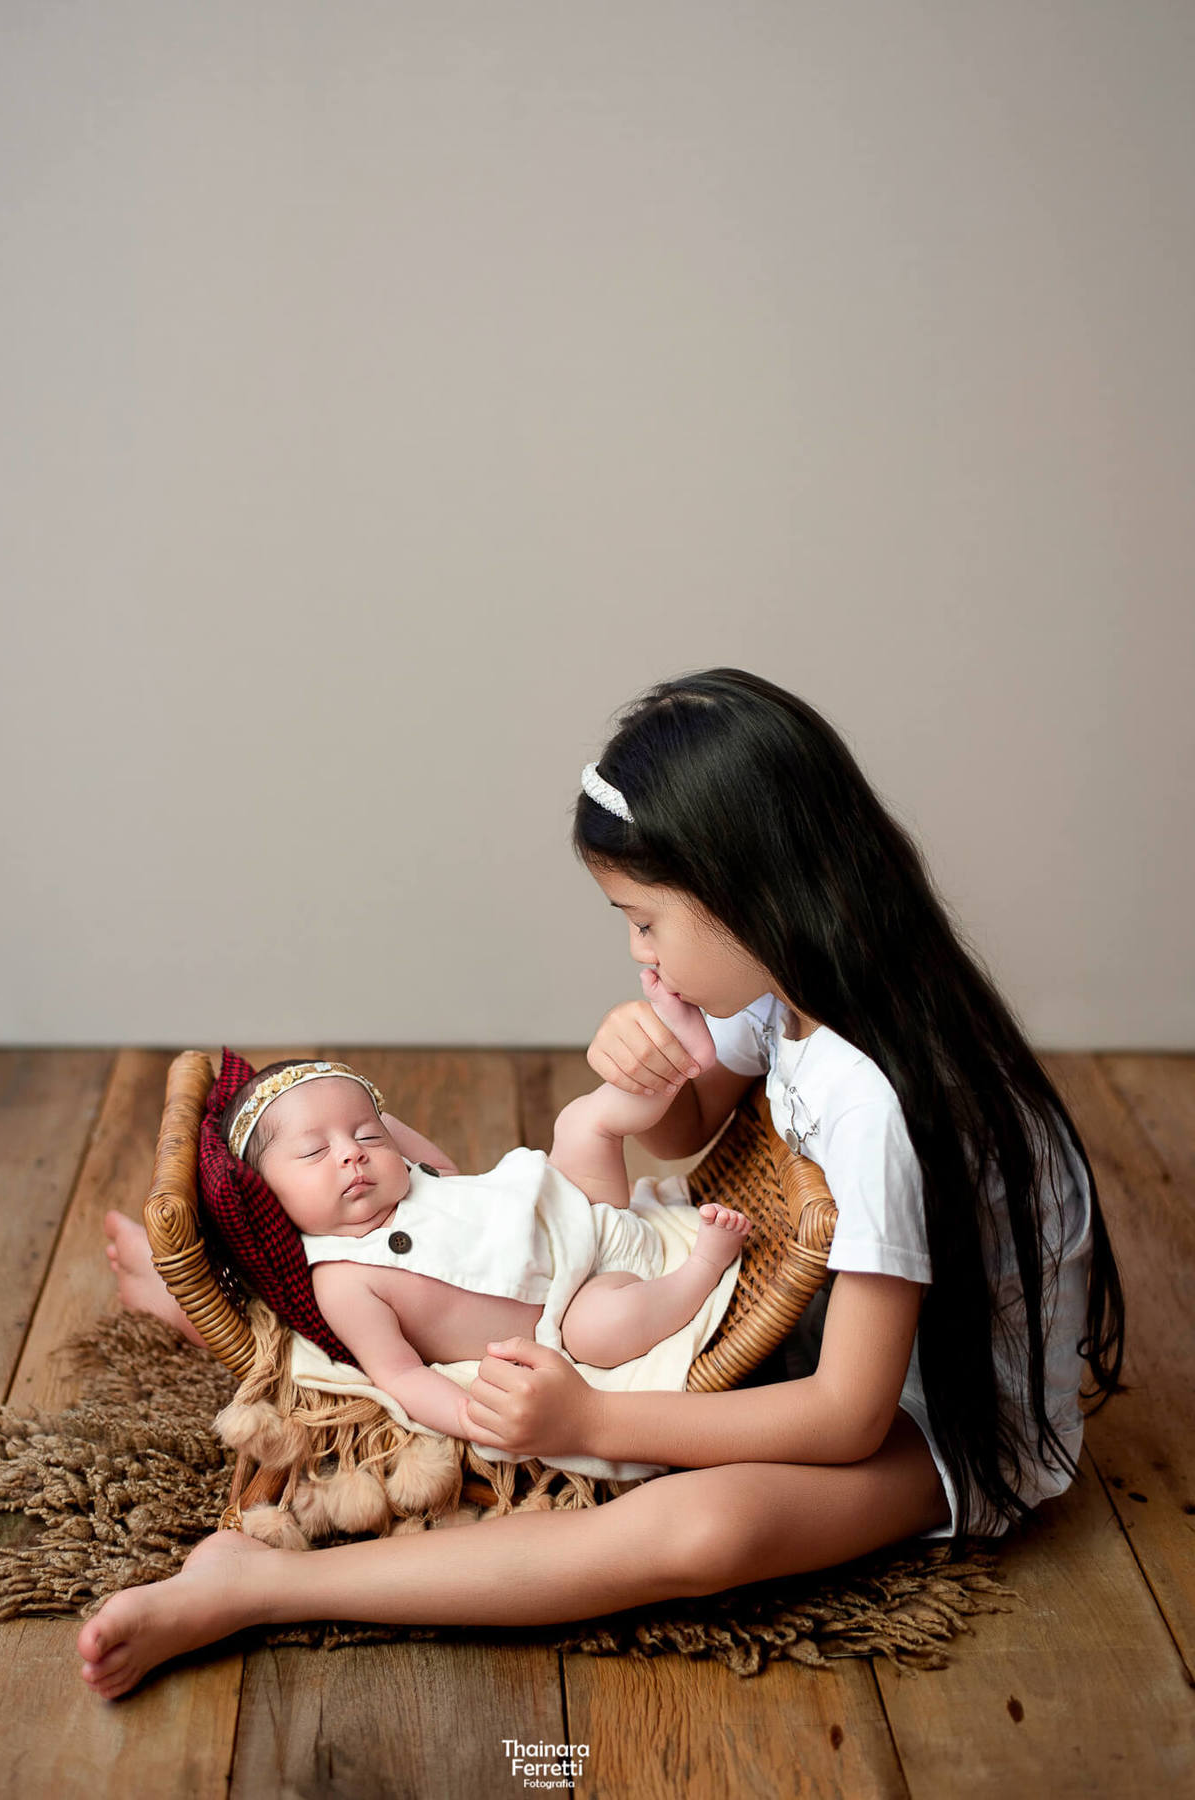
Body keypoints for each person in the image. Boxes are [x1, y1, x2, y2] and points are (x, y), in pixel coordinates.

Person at [79, 667, 1124, 1701]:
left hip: (935, 1416)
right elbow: (685, 1126)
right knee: (475, 1276)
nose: (635, 949)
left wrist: (587, 1426)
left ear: (750, 894)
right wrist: (648, 1060)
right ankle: (254, 1317)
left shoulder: (876, 1100)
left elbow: (848, 1418)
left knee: (701, 1531)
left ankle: (265, 1586)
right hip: (807, 1316)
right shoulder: (791, 989)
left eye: (644, 921)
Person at [205, 1041, 751, 1437]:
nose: (352, 1153)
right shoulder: (344, 1280)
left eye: (368, 1135)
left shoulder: (415, 1177)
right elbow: (400, 1373)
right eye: (314, 1152)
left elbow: (444, 1166)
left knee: (583, 1122)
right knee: (598, 1334)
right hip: (569, 1305)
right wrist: (463, 1416)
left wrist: (364, 1115)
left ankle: (680, 1063)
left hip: (574, 1203)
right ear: (267, 1193)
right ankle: (701, 1268)